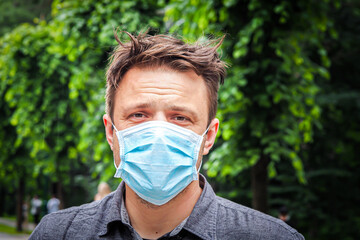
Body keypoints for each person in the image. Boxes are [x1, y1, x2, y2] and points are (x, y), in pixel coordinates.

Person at [30, 31, 304, 239]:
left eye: (180, 118)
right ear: (111, 131)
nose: (159, 133)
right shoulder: (57, 233)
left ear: (208, 137)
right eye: (139, 115)